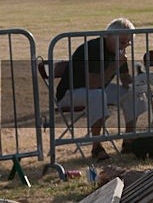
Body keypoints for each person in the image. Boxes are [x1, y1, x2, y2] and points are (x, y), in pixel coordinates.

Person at [55, 18, 147, 160]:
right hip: (70, 93)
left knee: (133, 93)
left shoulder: (119, 50)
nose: (126, 46)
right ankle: (96, 147)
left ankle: (129, 140)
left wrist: (140, 82)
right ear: (109, 37)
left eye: (128, 43)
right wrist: (115, 64)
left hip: (97, 89)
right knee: (98, 95)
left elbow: (125, 79)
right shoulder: (94, 49)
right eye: (122, 42)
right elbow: (93, 84)